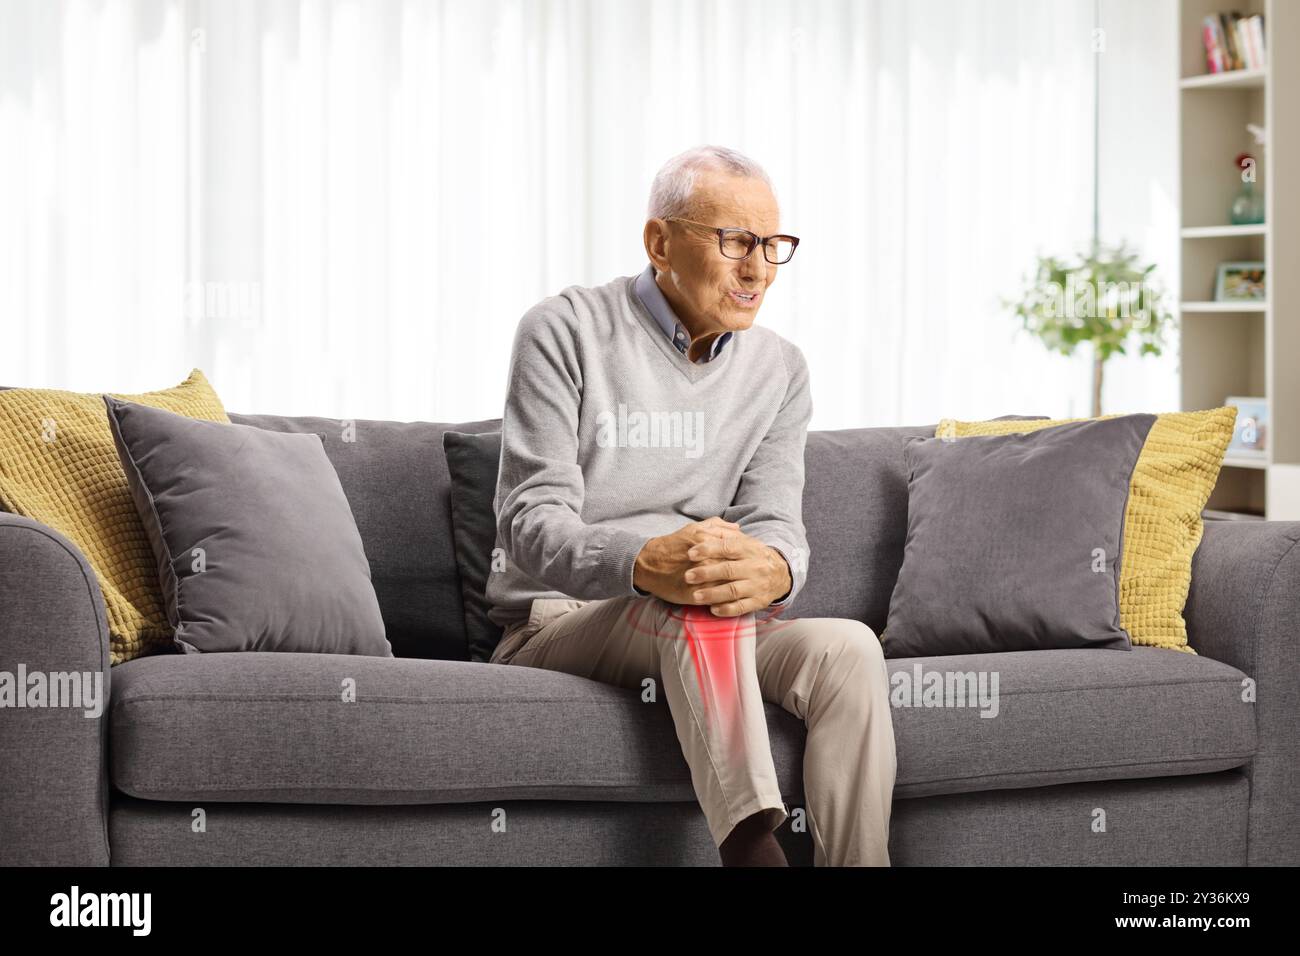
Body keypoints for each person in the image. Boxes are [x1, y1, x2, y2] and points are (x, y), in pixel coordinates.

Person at [485, 144, 896, 866]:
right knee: (689, 593)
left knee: (848, 650)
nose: (759, 269)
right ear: (659, 242)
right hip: (558, 623)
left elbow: (775, 524)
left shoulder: (780, 368)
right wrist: (645, 563)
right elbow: (530, 524)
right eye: (736, 241)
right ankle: (750, 850)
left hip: (705, 624)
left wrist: (775, 570)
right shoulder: (563, 330)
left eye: (773, 245)